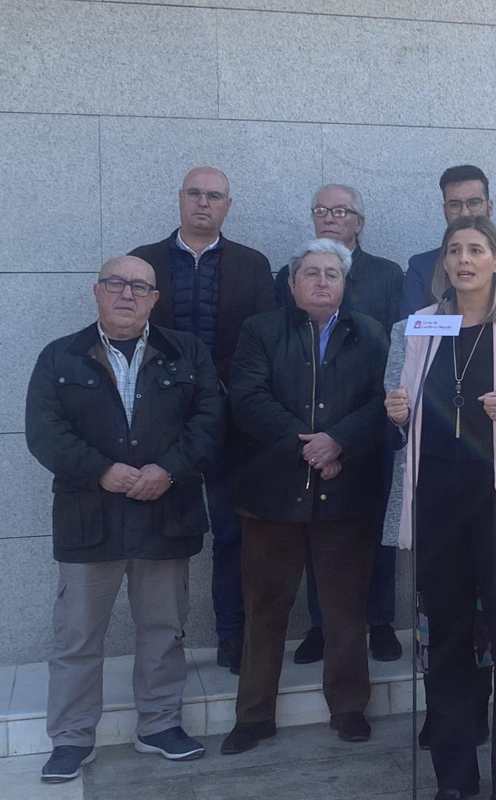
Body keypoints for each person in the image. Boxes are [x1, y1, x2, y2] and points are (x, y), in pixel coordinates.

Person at [384, 215, 496, 800]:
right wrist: (397, 412)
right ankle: (453, 778)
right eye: (454, 250)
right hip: (439, 501)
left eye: (476, 249)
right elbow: (407, 407)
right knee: (446, 639)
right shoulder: (423, 324)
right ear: (444, 262)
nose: (464, 259)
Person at [26, 256, 222, 783]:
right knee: (77, 638)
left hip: (166, 511)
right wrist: (102, 471)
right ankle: (71, 738)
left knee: (163, 630)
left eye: (140, 287)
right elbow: (44, 432)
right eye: (116, 284)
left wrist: (171, 469)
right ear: (96, 291)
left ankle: (158, 725)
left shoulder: (188, 353)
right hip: (90, 517)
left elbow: (210, 422)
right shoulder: (59, 356)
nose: (127, 294)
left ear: (155, 299)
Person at [219, 239, 389, 755]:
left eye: (331, 274)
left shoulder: (371, 334)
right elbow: (248, 399)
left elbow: (384, 401)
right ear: (291, 284)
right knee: (265, 607)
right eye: (310, 273)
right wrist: (310, 446)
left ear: (345, 284)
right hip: (272, 495)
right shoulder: (260, 331)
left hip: (345, 494)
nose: (320, 281)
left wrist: (340, 442)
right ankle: (253, 716)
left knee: (344, 609)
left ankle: (349, 708)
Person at [129, 166, 275, 675]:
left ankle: (232, 637)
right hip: (161, 423)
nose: (203, 203)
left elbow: (262, 343)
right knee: (164, 536)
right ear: (180, 199)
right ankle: (163, 648)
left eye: (214, 196)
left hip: (233, 422)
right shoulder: (144, 262)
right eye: (194, 193)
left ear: (228, 205)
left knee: (233, 533)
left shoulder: (253, 266)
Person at [274, 184, 404, 666]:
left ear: (359, 221)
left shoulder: (388, 274)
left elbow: (401, 345)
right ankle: (320, 626)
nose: (330, 217)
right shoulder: (289, 273)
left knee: (379, 528)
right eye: (322, 210)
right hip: (314, 430)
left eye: (342, 211)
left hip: (372, 421)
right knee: (317, 530)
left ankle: (381, 621)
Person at [402, 164, 496, 317]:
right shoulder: (421, 267)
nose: (465, 213)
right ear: (444, 211)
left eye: (474, 202)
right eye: (455, 205)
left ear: (489, 207)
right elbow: (411, 331)